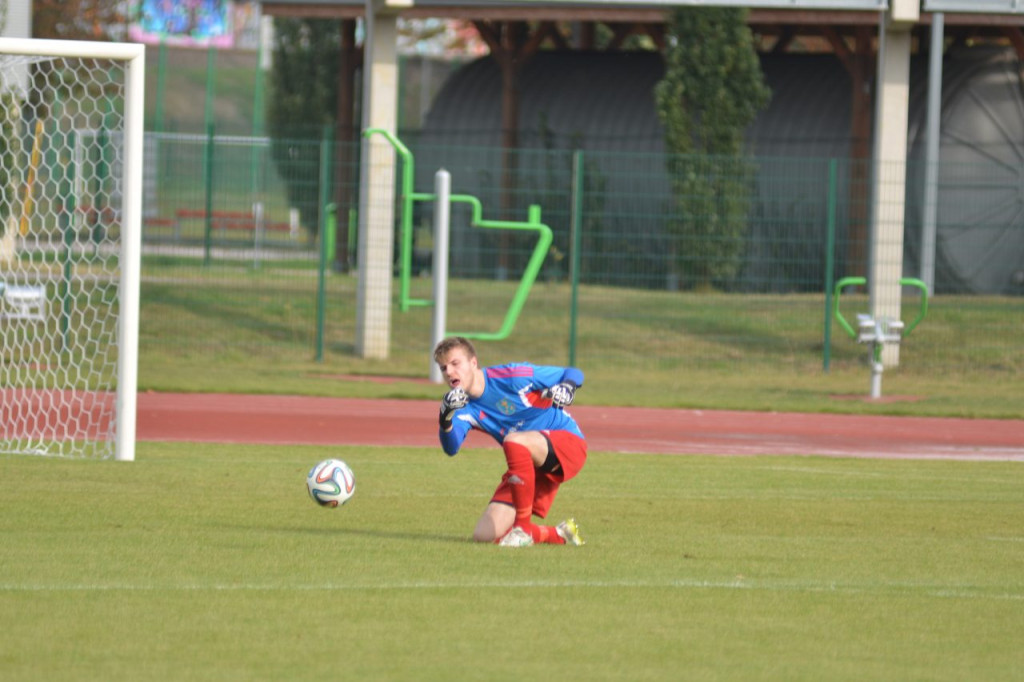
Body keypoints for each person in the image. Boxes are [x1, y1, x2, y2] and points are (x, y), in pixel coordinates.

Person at [432, 336, 588, 548]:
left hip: (567, 443)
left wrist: (568, 387)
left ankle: (522, 530)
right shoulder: (460, 407)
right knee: (484, 535)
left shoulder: (512, 376)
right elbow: (451, 448)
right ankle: (559, 534)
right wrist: (445, 418)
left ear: (473, 363)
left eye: (455, 363)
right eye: (444, 368)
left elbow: (572, 373)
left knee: (513, 440)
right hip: (526, 462)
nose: (449, 372)